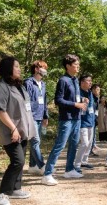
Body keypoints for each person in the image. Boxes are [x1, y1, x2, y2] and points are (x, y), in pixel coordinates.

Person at [0, 56, 36, 205]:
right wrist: (13, 128)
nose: (19, 69)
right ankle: (2, 194)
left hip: (23, 131)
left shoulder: (19, 86)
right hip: (11, 131)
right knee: (18, 161)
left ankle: (15, 189)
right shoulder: (0, 87)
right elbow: (0, 111)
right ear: (8, 68)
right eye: (16, 66)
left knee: (20, 161)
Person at [41, 54, 88, 186]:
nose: (78, 66)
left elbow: (74, 98)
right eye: (75, 64)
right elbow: (58, 100)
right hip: (66, 119)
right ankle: (47, 174)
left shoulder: (75, 80)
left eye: (78, 64)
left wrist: (81, 100)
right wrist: (75, 104)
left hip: (77, 118)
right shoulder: (63, 80)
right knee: (60, 145)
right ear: (68, 66)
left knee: (74, 144)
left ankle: (69, 170)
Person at [24, 60, 49, 175]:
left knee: (36, 143)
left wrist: (45, 116)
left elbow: (44, 102)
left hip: (40, 116)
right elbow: (25, 101)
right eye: (43, 68)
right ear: (36, 69)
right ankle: (42, 166)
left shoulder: (43, 84)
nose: (45, 70)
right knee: (35, 141)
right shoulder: (28, 83)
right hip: (31, 116)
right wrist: (27, 116)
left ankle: (32, 166)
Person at [74, 75, 96, 171]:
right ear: (82, 82)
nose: (90, 83)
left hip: (91, 121)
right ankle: (77, 164)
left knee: (90, 143)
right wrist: (82, 99)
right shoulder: (78, 91)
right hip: (82, 121)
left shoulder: (90, 92)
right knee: (84, 143)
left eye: (91, 81)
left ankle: (84, 161)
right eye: (88, 81)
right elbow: (75, 100)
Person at [90, 84, 101, 156]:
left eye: (99, 90)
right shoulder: (90, 97)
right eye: (97, 90)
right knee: (89, 135)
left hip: (94, 118)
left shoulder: (97, 98)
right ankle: (89, 150)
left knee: (93, 134)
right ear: (93, 90)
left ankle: (92, 148)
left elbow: (96, 109)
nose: (98, 91)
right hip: (88, 119)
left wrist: (96, 117)